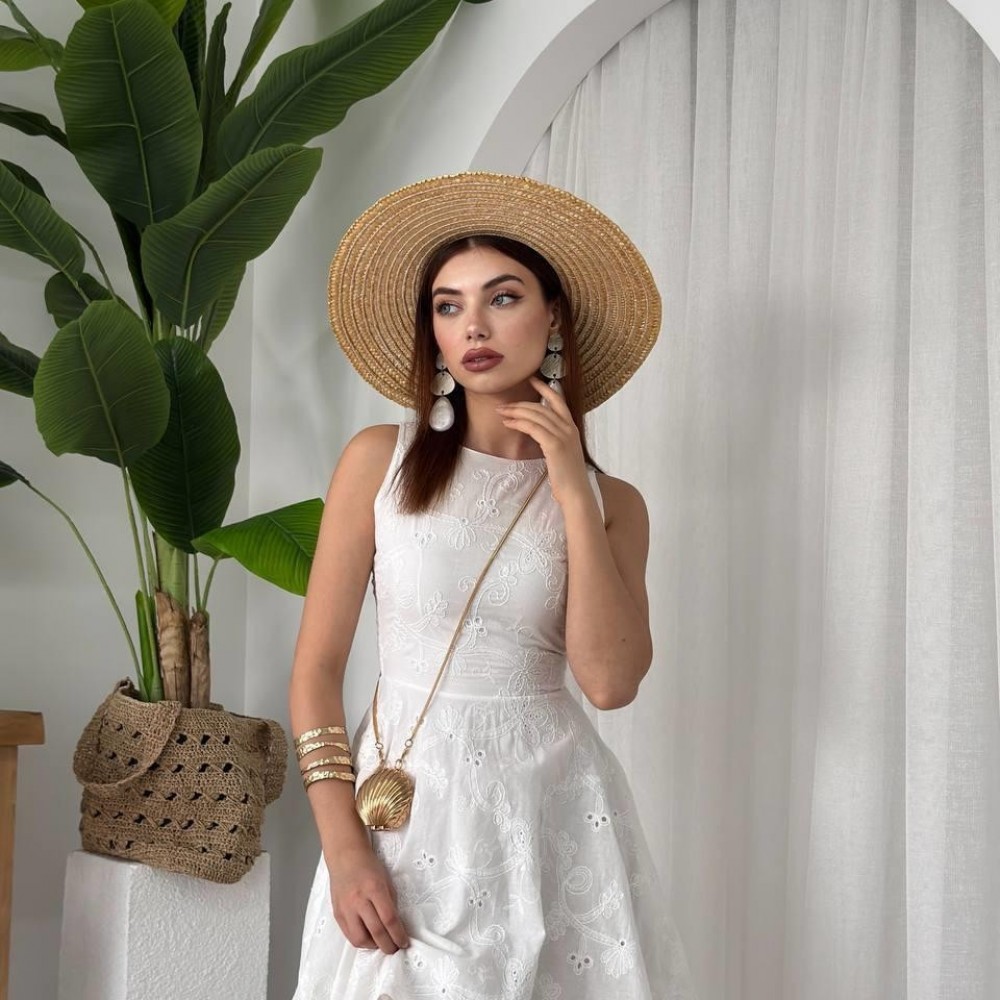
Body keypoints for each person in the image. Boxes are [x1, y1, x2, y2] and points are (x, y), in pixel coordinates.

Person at [289, 172, 697, 1000]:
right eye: (448, 306)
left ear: (554, 318)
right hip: (408, 822)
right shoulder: (380, 461)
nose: (472, 325)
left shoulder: (615, 504)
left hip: (554, 814)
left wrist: (572, 490)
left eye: (502, 298)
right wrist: (344, 849)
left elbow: (610, 683)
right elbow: (315, 672)